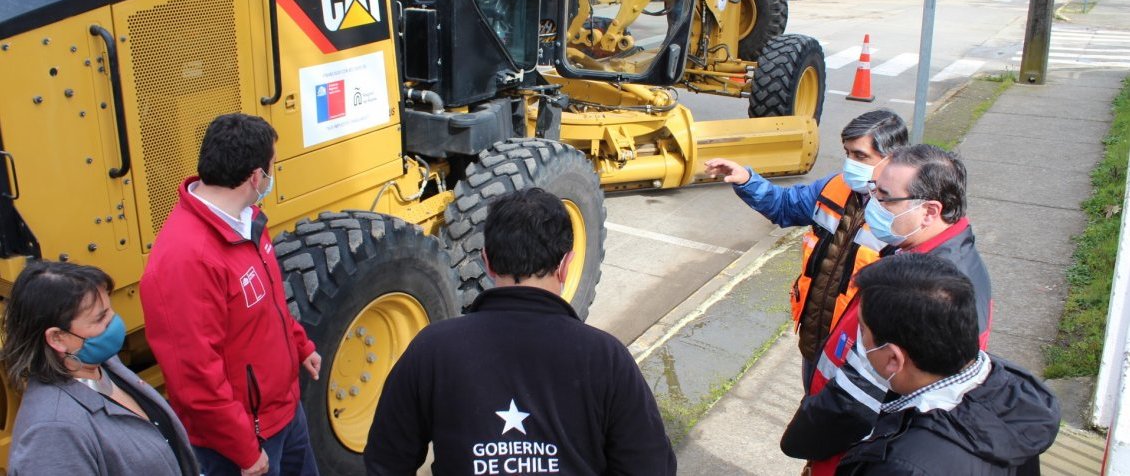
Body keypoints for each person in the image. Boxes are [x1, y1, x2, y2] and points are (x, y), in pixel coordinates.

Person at [363, 188, 676, 475]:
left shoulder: (431, 349)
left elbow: (385, 461)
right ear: (566, 265)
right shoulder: (607, 358)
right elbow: (650, 466)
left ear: (487, 262)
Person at [780, 144, 994, 476]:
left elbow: (857, 398)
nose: (872, 207)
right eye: (874, 193)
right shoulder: (932, 255)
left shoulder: (927, 288)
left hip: (851, 450)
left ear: (929, 211)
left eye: (886, 198)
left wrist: (803, 440)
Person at [140, 113, 321, 476]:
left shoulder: (248, 220)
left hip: (285, 413)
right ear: (257, 177)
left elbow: (269, 303)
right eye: (272, 168)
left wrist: (300, 345)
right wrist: (244, 450)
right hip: (244, 443)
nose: (272, 176)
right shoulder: (187, 258)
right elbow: (195, 377)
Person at [704, 109, 908, 386]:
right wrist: (746, 180)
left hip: (860, 361)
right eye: (847, 153)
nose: (850, 163)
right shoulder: (834, 187)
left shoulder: (907, 217)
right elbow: (785, 206)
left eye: (860, 156)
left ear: (893, 159)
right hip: (816, 341)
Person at [837, 253, 1059, 474]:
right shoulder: (1010, 390)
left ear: (894, 359)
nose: (859, 338)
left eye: (863, 329)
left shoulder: (901, 467)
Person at [1, 260, 198, 475]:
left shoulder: (103, 365)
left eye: (109, 308)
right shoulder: (52, 432)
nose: (114, 321)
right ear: (57, 338)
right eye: (101, 318)